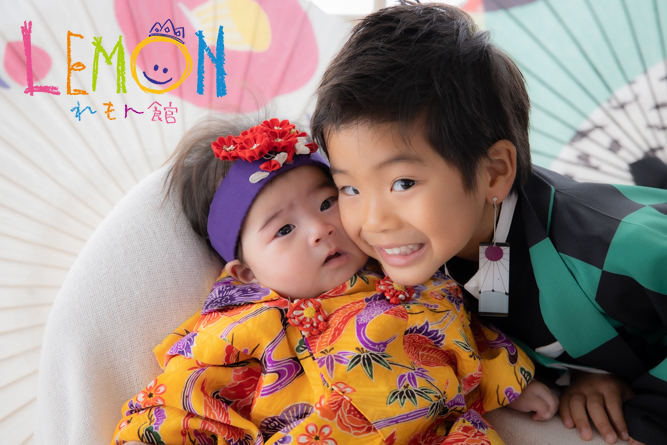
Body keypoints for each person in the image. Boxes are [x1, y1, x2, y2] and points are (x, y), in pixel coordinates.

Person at [310, 2, 667, 445]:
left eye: (403, 183)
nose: (373, 220)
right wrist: (585, 375)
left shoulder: (608, 241)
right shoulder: (424, 258)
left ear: (495, 172)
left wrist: (645, 413)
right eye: (349, 188)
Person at [111, 117, 556, 445]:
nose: (320, 230)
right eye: (285, 230)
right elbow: (183, 396)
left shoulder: (408, 271)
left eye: (327, 203)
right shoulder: (245, 325)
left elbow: (467, 331)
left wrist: (510, 382)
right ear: (247, 274)